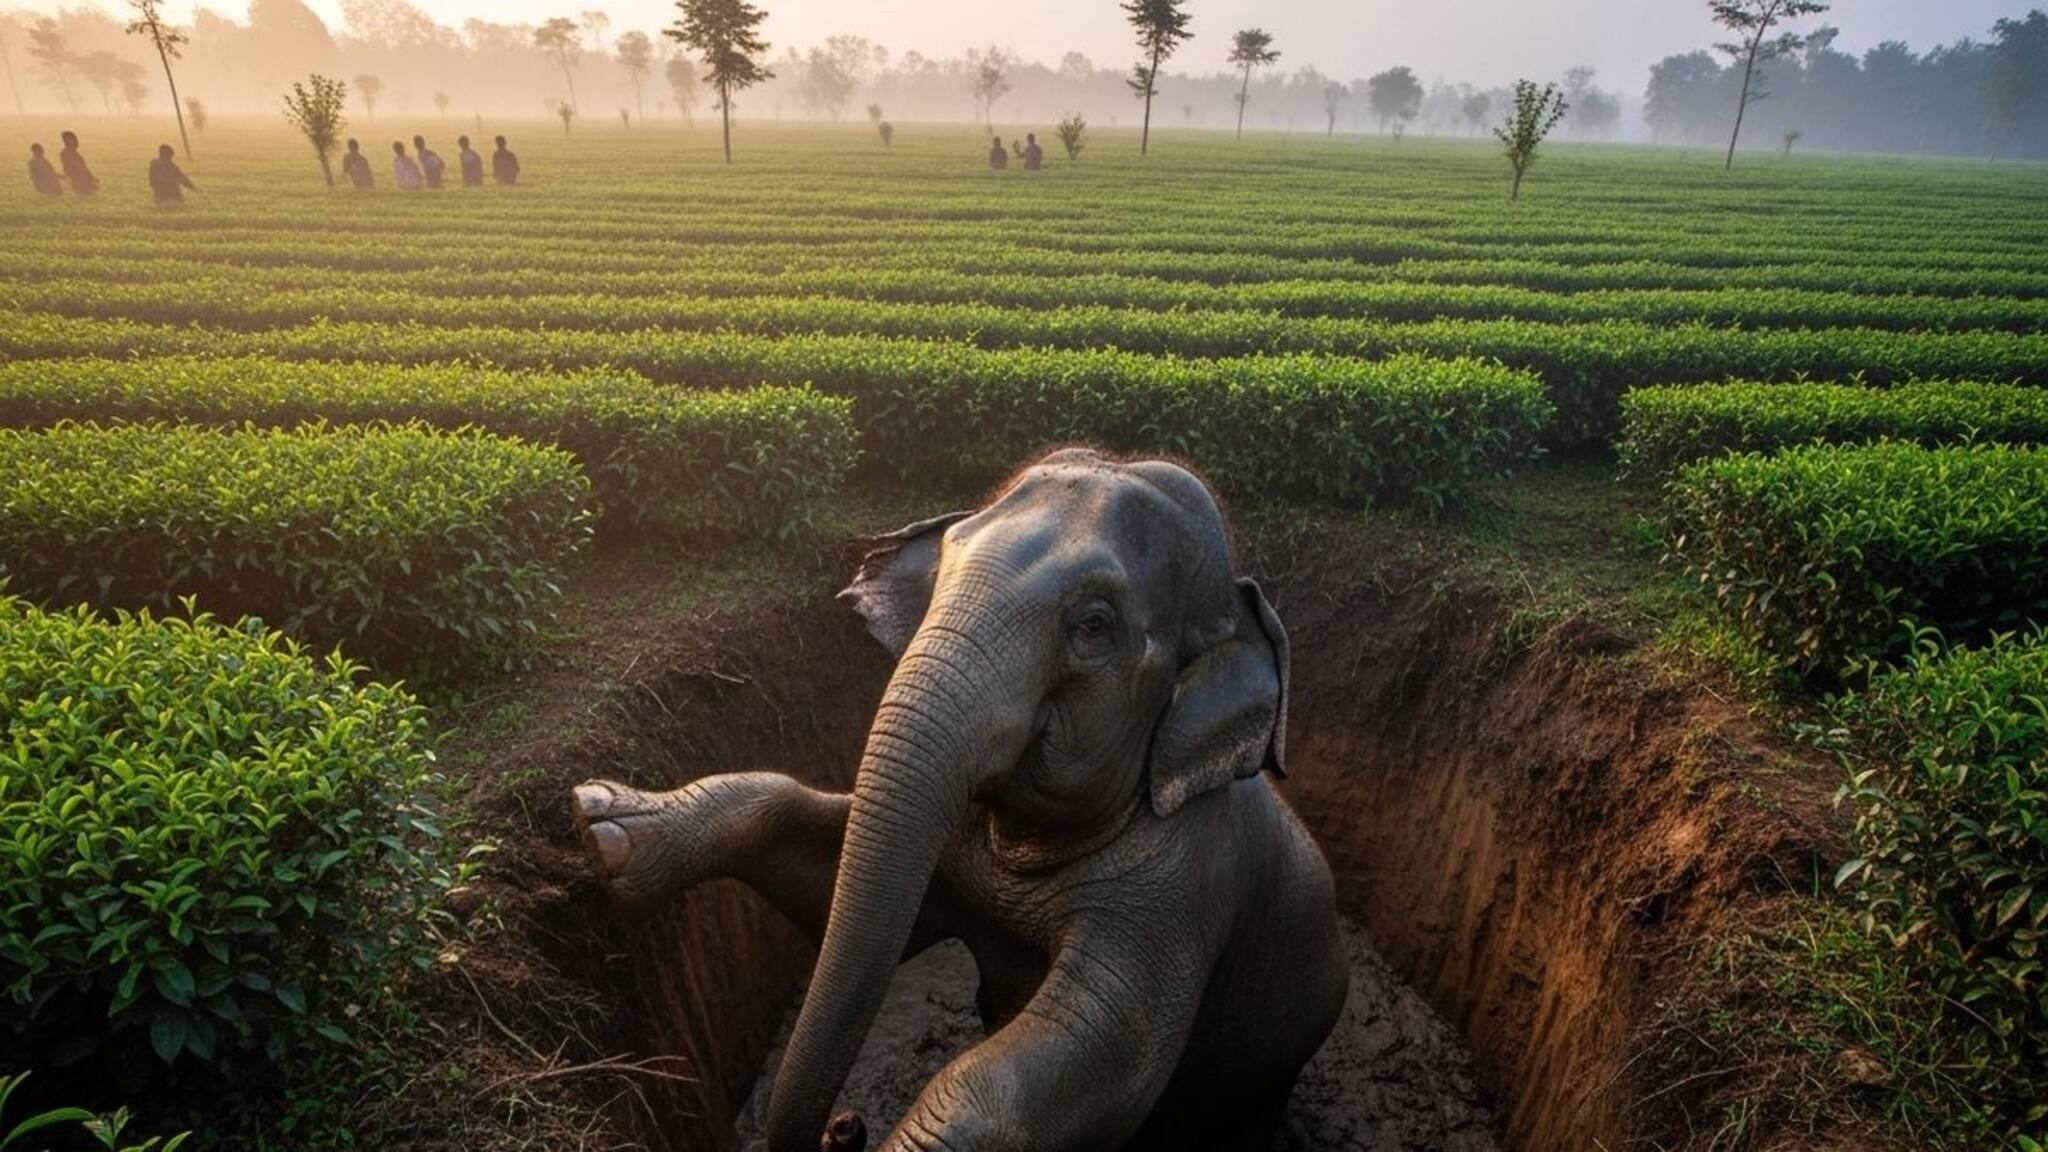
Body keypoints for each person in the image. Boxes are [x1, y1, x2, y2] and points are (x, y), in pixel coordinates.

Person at [59, 130, 98, 196]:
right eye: (70, 139)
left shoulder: (73, 153)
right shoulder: (66, 152)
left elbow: (82, 167)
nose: (73, 141)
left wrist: (90, 176)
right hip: (78, 179)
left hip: (81, 178)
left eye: (74, 139)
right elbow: (76, 166)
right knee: (85, 196)